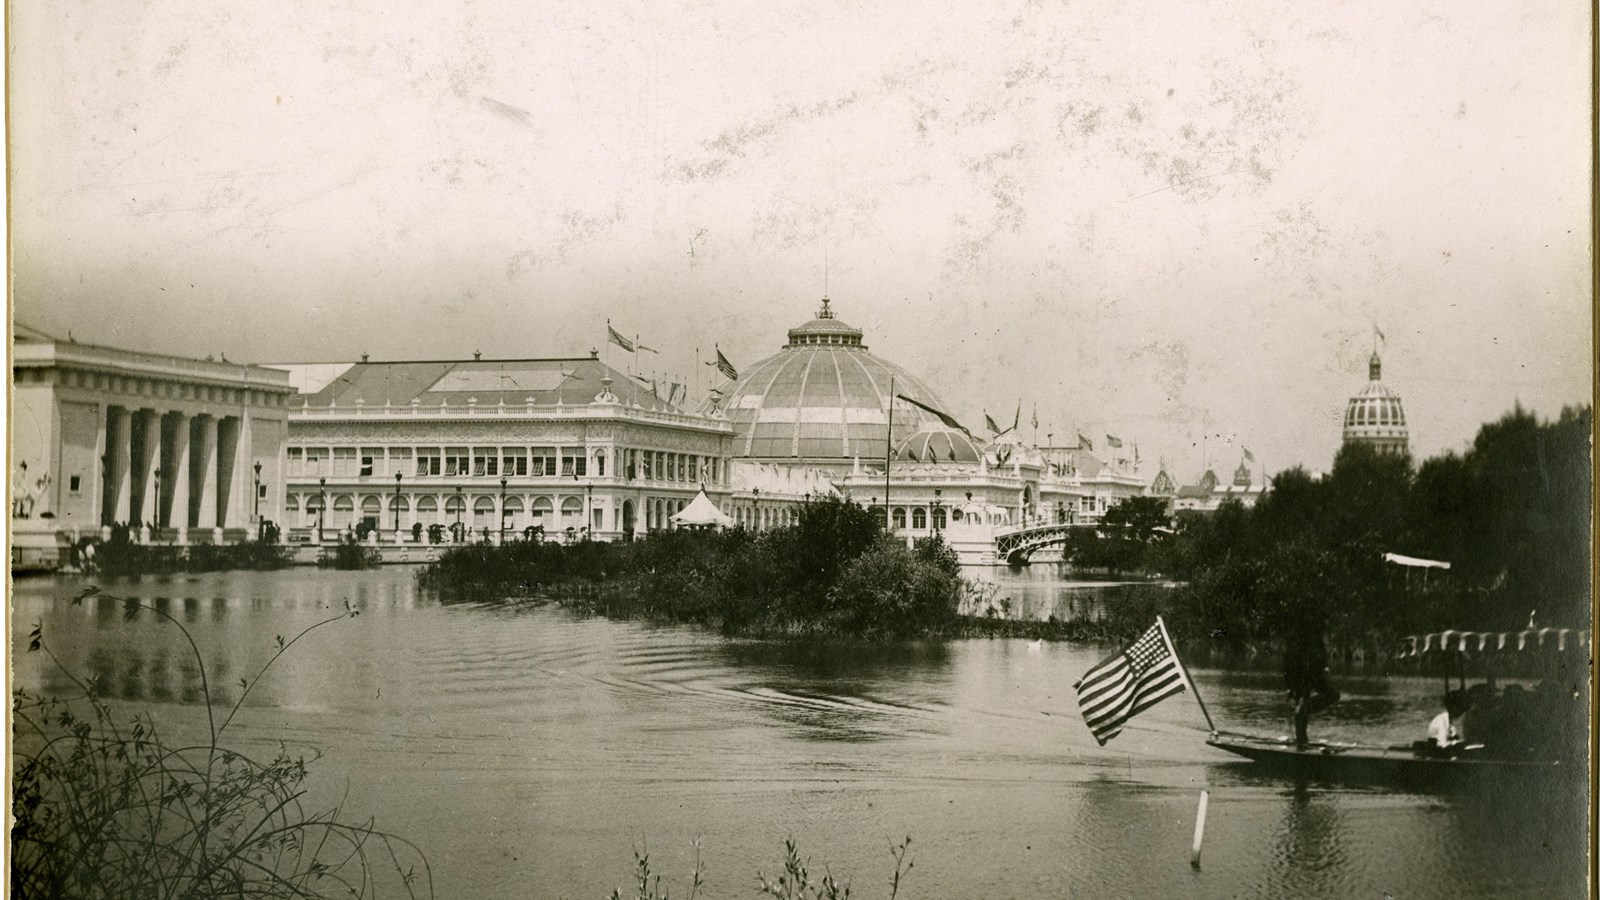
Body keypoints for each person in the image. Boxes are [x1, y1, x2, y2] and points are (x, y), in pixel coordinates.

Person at [1283, 622, 1340, 747]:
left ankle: (1303, 709)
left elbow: (1320, 654)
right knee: (1302, 705)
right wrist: (1293, 691)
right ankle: (1301, 740)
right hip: (1301, 677)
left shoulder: (1315, 638)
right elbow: (1291, 667)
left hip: (1313, 675)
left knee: (1334, 694)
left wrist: (1324, 666)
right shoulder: (1300, 644)